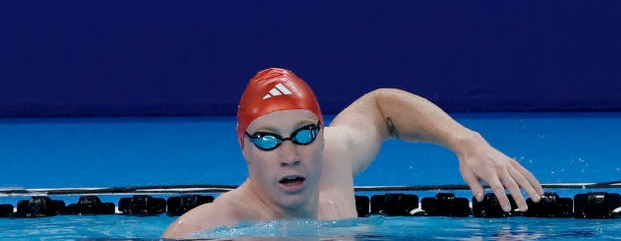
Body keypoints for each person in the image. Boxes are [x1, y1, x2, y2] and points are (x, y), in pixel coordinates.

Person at [163, 68, 543, 238]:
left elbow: (380, 106)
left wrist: (468, 143)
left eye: (304, 134)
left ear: (322, 137)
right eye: (267, 139)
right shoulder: (207, 230)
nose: (289, 154)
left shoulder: (333, 160)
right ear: (243, 145)